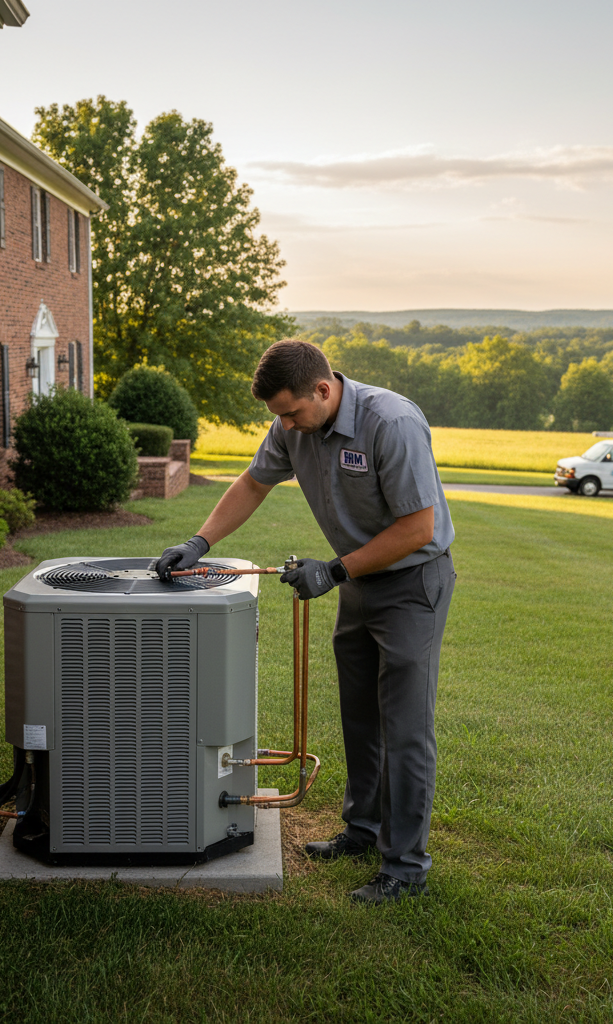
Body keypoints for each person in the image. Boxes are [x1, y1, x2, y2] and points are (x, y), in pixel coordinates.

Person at [155, 339, 456, 905]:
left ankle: (406, 868)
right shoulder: (294, 425)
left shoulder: (392, 423)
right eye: (278, 417)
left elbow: (419, 529)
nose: (286, 425)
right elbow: (252, 483)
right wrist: (199, 542)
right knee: (360, 718)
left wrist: (335, 570)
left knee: (406, 731)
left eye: (292, 412)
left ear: (324, 389)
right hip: (360, 582)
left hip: (414, 584)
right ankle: (362, 833)